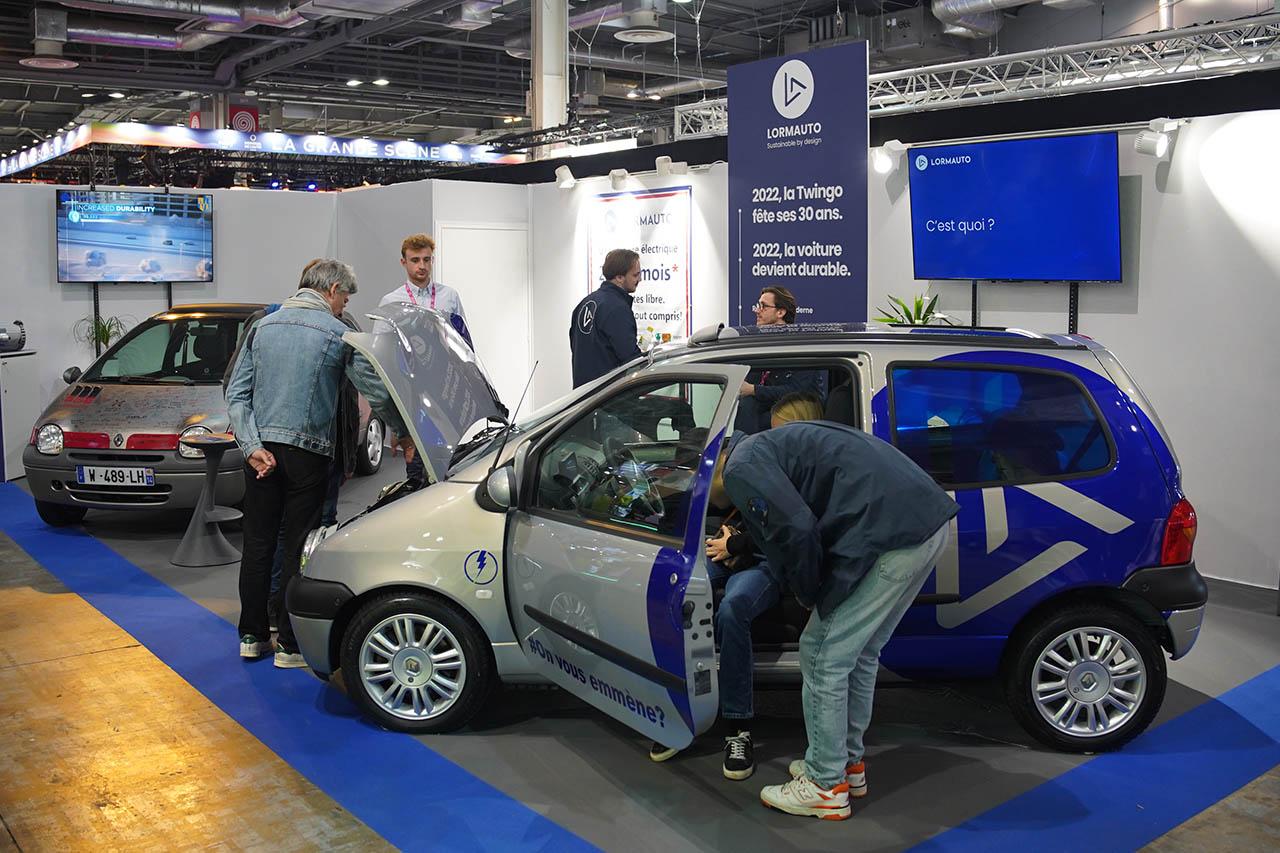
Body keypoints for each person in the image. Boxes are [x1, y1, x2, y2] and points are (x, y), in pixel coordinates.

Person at [707, 421, 958, 819]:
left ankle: (825, 785)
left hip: (891, 536)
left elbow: (797, 529)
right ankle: (847, 764)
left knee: (822, 656)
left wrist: (809, 593)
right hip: (926, 526)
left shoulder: (740, 465)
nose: (711, 498)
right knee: (858, 653)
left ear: (715, 459)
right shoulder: (769, 445)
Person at [227, 259, 414, 668]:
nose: (344, 304)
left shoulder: (261, 327)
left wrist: (251, 446)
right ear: (331, 289)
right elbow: (375, 390)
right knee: (298, 547)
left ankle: (250, 635)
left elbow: (236, 394)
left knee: (257, 545)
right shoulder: (338, 332)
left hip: (260, 455)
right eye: (345, 296)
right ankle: (290, 647)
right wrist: (404, 431)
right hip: (308, 455)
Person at [650, 392, 827, 780]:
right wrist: (730, 539)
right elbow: (749, 506)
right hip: (728, 547)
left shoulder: (810, 470)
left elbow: (790, 531)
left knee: (733, 609)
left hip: (763, 562)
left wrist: (739, 545)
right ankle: (677, 710)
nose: (774, 441)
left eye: (783, 433)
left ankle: (737, 726)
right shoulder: (755, 453)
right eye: (773, 432)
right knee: (676, 595)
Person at [378, 234, 469, 488]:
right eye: (415, 260)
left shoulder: (449, 296)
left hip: (444, 387)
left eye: (427, 260)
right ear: (403, 262)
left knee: (448, 460)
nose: (422, 266)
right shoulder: (391, 301)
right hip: (411, 389)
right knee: (416, 463)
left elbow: (463, 341)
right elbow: (382, 352)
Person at [735, 286, 827, 433]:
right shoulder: (758, 345)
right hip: (766, 418)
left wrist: (754, 390)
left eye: (763, 306)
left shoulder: (800, 347)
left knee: (750, 404)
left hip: (796, 420)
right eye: (758, 305)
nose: (757, 310)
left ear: (781, 312)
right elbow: (748, 382)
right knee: (747, 404)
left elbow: (798, 391)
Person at [570, 248, 643, 388]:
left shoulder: (584, 304)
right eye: (635, 275)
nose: (639, 279)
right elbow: (631, 360)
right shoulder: (617, 309)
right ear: (619, 277)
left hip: (583, 398)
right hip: (608, 399)